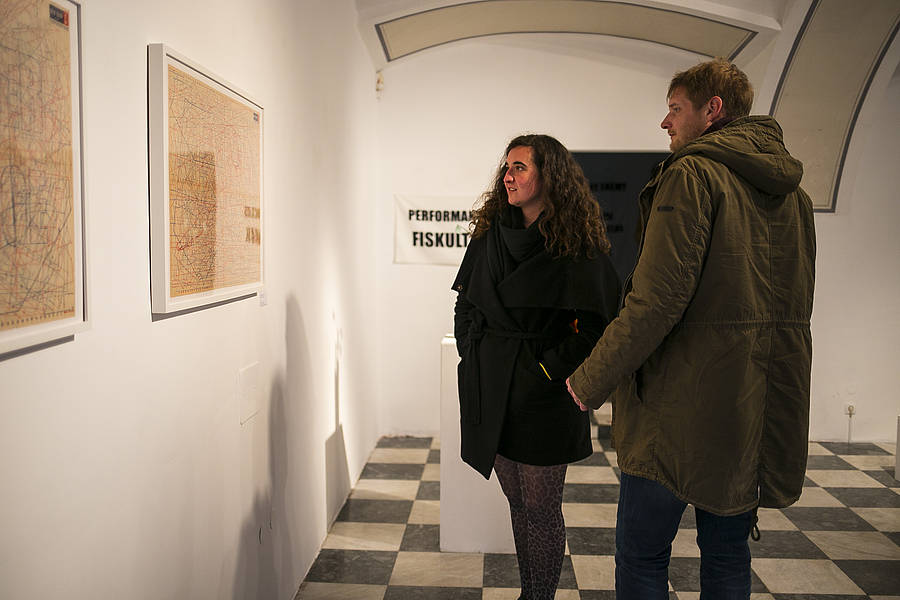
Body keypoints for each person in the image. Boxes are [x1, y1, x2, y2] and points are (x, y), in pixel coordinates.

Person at [566, 58, 816, 599]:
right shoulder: (794, 196)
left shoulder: (691, 175)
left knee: (642, 557)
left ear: (712, 110)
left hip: (675, 412)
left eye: (675, 109)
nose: (666, 122)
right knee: (728, 557)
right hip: (747, 410)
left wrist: (590, 380)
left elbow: (656, 301)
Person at [452, 134, 621, 600]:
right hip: (492, 387)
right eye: (507, 167)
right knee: (518, 503)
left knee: (542, 508)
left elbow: (596, 326)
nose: (508, 176)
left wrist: (545, 372)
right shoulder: (490, 235)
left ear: (550, 177)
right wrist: (472, 353)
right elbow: (465, 301)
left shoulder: (575, 243)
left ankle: (539, 596)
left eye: (520, 167)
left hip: (544, 394)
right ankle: (529, 592)